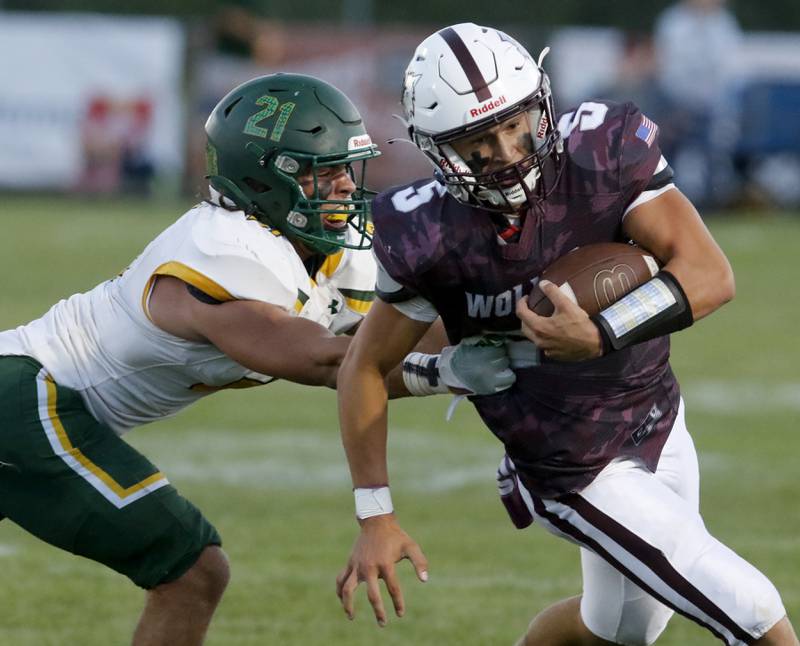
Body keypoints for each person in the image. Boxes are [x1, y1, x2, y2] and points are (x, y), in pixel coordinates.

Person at [0, 73, 513, 645]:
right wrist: (445, 373)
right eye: (325, 172)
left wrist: (516, 329)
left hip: (38, 407)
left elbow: (393, 342)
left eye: (349, 167)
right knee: (193, 570)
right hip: (24, 399)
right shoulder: (222, 249)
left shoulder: (324, 254)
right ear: (264, 180)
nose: (346, 186)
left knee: (194, 571)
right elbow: (325, 363)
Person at [334, 23, 798, 646]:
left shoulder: (600, 153)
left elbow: (710, 273)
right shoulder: (425, 233)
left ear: (541, 106)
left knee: (615, 631)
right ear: (437, 148)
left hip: (657, 414)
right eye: (477, 141)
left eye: (514, 125)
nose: (504, 151)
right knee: (751, 607)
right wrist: (376, 514)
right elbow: (364, 369)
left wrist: (602, 332)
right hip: (568, 463)